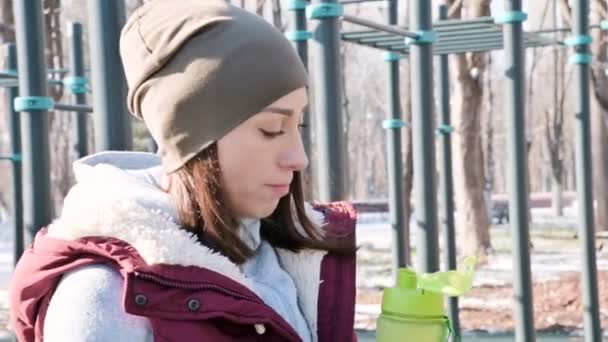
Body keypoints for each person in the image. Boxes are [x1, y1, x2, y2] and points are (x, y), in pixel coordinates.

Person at [8, 1, 357, 341]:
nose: (299, 158)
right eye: (271, 129)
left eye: (299, 125)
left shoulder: (295, 265)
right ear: (193, 139)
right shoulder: (105, 299)